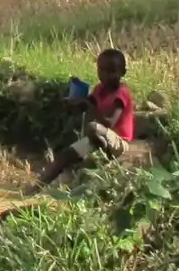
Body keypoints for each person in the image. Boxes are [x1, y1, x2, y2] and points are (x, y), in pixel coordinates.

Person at [36, 47, 135, 185]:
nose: (105, 75)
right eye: (101, 69)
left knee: (93, 128)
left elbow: (109, 123)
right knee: (66, 155)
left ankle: (102, 150)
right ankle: (39, 185)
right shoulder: (99, 89)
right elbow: (85, 106)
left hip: (119, 142)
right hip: (98, 137)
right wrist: (72, 102)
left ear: (123, 72)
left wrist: (87, 105)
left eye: (111, 71)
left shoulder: (121, 94)